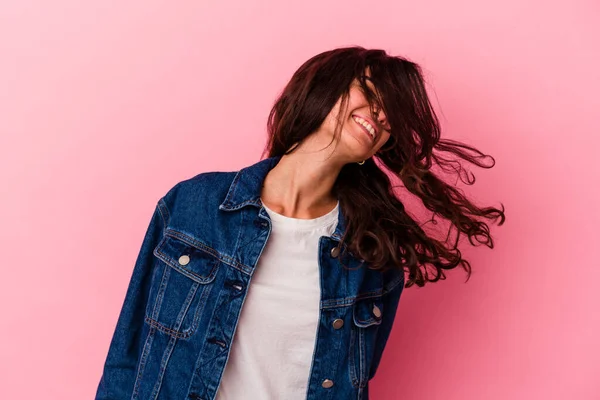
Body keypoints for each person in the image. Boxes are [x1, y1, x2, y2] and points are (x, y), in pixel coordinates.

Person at [95, 46, 506, 400]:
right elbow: (129, 348)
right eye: (369, 93)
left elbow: (355, 383)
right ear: (325, 88)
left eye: (391, 114)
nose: (381, 115)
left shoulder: (370, 253)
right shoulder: (196, 204)